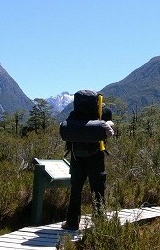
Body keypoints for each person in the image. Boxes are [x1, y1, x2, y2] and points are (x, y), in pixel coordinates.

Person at [61, 90, 114, 231]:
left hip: (76, 157)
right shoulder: (104, 112)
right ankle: (99, 222)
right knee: (98, 190)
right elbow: (109, 126)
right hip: (96, 156)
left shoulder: (74, 115)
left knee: (76, 190)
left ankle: (72, 223)